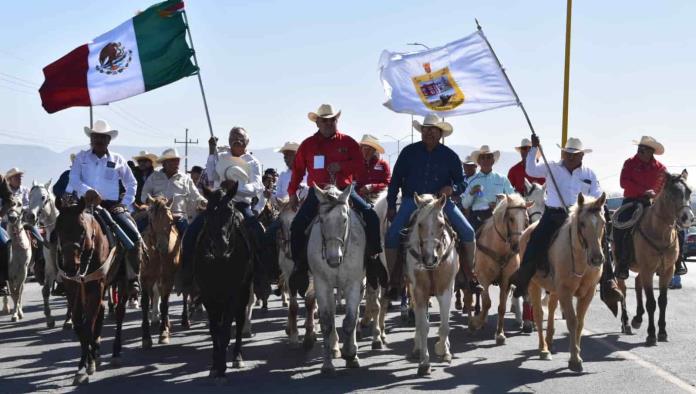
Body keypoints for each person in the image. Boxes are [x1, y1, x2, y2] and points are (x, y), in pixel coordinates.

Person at [512, 135, 623, 305]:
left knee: (601, 242)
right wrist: (534, 148)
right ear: (563, 154)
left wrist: (585, 206)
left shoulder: (589, 174)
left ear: (582, 156)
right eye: (567, 153)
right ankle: (524, 277)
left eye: (574, 154)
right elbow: (531, 170)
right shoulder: (552, 168)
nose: (570, 157)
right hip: (554, 215)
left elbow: (596, 193)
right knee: (536, 238)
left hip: (580, 216)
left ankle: (609, 281)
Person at [288, 104, 385, 295]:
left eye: (332, 120)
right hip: (319, 194)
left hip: (343, 192)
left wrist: (341, 167)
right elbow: (298, 170)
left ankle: (373, 261)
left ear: (336, 121)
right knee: (297, 226)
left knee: (371, 216)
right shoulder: (307, 145)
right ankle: (300, 267)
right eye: (324, 120)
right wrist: (292, 193)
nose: (328, 123)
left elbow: (360, 167)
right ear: (317, 122)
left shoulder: (348, 143)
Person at [385, 114, 476, 295]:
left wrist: (452, 189)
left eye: (433, 130)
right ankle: (393, 278)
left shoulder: (450, 156)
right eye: (426, 129)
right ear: (421, 131)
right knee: (392, 235)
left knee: (468, 232)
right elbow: (395, 180)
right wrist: (391, 205)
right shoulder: (408, 152)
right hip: (413, 201)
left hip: (440, 202)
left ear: (440, 133)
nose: (429, 133)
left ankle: (468, 275)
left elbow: (462, 182)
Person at [181, 127, 270, 297]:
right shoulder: (220, 156)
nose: (236, 139)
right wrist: (211, 151)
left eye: (240, 137)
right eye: (233, 137)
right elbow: (211, 176)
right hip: (218, 203)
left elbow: (257, 186)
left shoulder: (253, 162)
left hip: (240, 204)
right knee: (191, 232)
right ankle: (189, 276)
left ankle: (261, 276)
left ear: (247, 141)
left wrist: (237, 188)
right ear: (228, 140)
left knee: (258, 233)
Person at [68, 120, 141, 295]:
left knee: (134, 236)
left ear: (108, 140)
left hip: (110, 206)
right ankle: (62, 276)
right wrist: (88, 192)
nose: (99, 140)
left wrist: (125, 203)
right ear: (91, 139)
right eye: (95, 137)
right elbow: (74, 179)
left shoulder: (118, 159)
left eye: (103, 137)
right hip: (83, 206)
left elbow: (131, 182)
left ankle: (133, 277)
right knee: (61, 234)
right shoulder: (81, 157)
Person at [613, 136, 677, 279]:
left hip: (652, 204)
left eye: (643, 150)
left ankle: (675, 261)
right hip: (631, 202)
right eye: (639, 149)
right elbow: (624, 183)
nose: (639, 152)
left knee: (674, 226)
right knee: (619, 227)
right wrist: (644, 191)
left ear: (651, 152)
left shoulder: (661, 168)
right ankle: (622, 263)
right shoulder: (629, 163)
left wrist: (655, 194)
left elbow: (664, 186)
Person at [140, 148, 205, 235]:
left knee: (188, 237)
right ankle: (134, 247)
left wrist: (203, 202)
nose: (176, 163)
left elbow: (196, 196)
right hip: (156, 215)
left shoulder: (185, 178)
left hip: (178, 216)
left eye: (177, 160)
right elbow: (144, 195)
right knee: (137, 231)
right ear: (164, 163)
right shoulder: (154, 177)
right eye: (172, 160)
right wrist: (152, 201)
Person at [460, 145, 516, 231]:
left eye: (489, 157)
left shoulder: (502, 179)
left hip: (499, 216)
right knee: (467, 237)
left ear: (493, 161)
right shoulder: (471, 181)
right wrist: (471, 193)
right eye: (483, 157)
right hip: (478, 218)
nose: (486, 160)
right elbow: (464, 204)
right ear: (478, 161)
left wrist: (499, 204)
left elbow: (513, 198)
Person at [356, 134, 391, 203]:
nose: (367, 152)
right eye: (365, 148)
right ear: (361, 148)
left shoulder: (383, 164)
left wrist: (373, 187)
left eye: (370, 149)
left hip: (379, 198)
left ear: (374, 150)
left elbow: (388, 183)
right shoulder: (356, 164)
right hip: (359, 198)